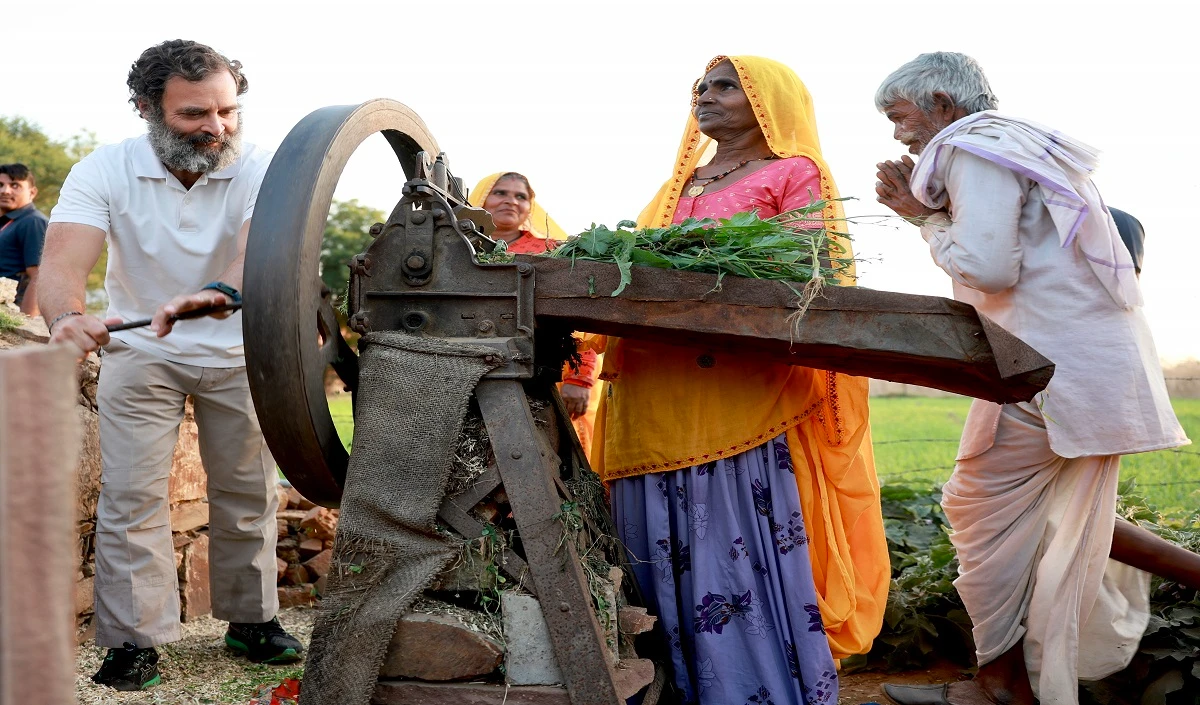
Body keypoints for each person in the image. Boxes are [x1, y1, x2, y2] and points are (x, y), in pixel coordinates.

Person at [873, 51, 1195, 705]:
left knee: (974, 504)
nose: (898, 135)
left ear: (941, 102)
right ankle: (1004, 678)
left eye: (900, 116)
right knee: (1048, 513)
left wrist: (923, 218)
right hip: (1079, 366)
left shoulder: (974, 148)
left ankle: (998, 683)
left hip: (1048, 369)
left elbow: (989, 269)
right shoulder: (1018, 146)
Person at [589, 56, 889, 705]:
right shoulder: (675, 190)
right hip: (653, 399)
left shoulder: (792, 173)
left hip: (736, 406)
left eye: (725, 85)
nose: (706, 95)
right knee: (651, 559)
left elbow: (806, 263)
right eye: (702, 85)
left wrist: (697, 267)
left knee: (729, 554)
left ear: (766, 101)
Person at [38, 39, 303, 692]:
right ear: (146, 109)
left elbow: (253, 252)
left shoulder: (259, 165)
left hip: (242, 349)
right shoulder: (101, 169)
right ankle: (135, 640)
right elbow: (64, 264)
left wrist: (216, 293)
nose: (216, 128)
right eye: (194, 115)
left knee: (247, 493)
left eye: (227, 111)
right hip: (141, 350)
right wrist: (68, 317)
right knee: (131, 498)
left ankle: (251, 619)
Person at [468, 172, 602, 455]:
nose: (511, 202)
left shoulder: (550, 251)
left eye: (521, 196)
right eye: (500, 193)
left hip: (540, 376)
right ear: (480, 200)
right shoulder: (458, 250)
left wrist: (579, 379)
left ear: (530, 207)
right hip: (467, 370)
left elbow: (579, 312)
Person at [0, 163, 48, 315]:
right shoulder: (9, 222)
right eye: (0, 185)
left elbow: (40, 276)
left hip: (12, 313)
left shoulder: (33, 221)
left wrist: (26, 324)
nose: (5, 191)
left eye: (15, 185)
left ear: (32, 192)